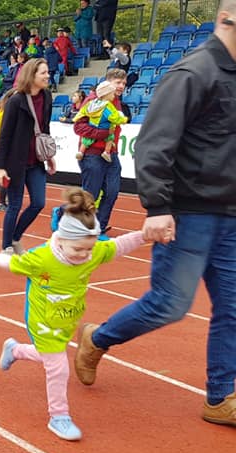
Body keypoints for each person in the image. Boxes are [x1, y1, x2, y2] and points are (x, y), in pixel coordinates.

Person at [73, 4, 236, 426]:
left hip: (230, 215)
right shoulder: (192, 73)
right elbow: (154, 144)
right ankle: (98, 338)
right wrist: (159, 208)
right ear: (228, 19)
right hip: (188, 212)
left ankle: (221, 396)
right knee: (169, 304)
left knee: (234, 308)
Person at [0, 187, 145, 441]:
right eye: (78, 250)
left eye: (89, 249)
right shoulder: (42, 258)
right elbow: (15, 264)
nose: (84, 255)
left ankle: (15, 350)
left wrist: (145, 235)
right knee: (58, 367)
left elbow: (118, 246)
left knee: (48, 357)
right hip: (42, 320)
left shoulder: (92, 252)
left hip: (67, 318)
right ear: (60, 239)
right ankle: (58, 416)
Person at [0, 59, 55, 254]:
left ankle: (15, 237)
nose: (47, 76)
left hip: (36, 161)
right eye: (43, 73)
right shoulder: (16, 101)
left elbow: (44, 128)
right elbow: (4, 136)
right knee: (15, 205)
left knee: (38, 203)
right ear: (31, 75)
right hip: (15, 162)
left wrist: (48, 155)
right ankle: (7, 246)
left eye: (47, 72)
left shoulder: (47, 97)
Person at [71, 69, 132, 236]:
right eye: (118, 83)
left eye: (124, 83)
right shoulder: (93, 100)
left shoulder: (116, 101)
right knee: (91, 194)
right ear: (107, 83)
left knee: (112, 192)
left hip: (111, 153)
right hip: (92, 153)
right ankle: (67, 217)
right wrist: (103, 134)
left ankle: (99, 228)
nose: (121, 86)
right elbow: (78, 126)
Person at [73, 81, 127, 162]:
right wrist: (123, 120)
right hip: (103, 127)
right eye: (112, 94)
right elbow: (113, 117)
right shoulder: (107, 105)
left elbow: (83, 111)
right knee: (110, 137)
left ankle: (81, 152)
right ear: (106, 94)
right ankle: (106, 152)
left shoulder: (91, 103)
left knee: (86, 139)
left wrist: (75, 118)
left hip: (92, 125)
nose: (113, 96)